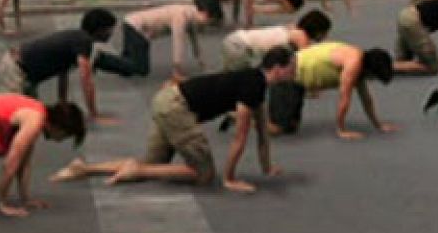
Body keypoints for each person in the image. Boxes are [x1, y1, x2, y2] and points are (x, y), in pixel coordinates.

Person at [51, 47, 295, 194]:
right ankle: (136, 170)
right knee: (203, 174)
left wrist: (267, 167)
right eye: (291, 68)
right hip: (178, 109)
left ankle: (84, 168)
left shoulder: (255, 81)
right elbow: (240, 138)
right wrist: (230, 179)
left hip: (167, 100)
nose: (294, 72)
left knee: (153, 164)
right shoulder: (253, 86)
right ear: (277, 68)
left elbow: (262, 131)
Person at [0, 10, 118, 126]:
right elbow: (87, 81)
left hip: (24, 71)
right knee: (5, 111)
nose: (111, 33)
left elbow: (63, 73)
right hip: (17, 68)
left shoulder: (77, 39)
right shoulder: (83, 41)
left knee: (30, 113)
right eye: (110, 29)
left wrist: (63, 104)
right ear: (100, 29)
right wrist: (94, 114)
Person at [266, 43, 396, 139]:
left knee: (290, 128)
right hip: (289, 75)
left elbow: (366, 99)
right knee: (276, 129)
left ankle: (261, 115)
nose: (372, 80)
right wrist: (341, 130)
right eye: (374, 77)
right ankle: (254, 117)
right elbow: (344, 99)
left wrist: (378, 125)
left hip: (300, 82)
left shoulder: (358, 63)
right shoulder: (353, 64)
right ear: (370, 70)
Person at [93, 3, 210, 81]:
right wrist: (176, 70)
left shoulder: (190, 17)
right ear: (203, 13)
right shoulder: (181, 16)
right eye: (207, 21)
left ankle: (103, 59)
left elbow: (195, 42)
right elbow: (178, 41)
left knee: (127, 70)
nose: (205, 25)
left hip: (133, 25)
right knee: (141, 69)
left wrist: (202, 62)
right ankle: (99, 59)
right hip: (136, 27)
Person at [221, 10, 330, 71]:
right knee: (241, 83)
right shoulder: (301, 36)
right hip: (240, 46)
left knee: (232, 78)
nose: (325, 36)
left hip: (235, 39)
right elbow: (306, 64)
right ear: (317, 29)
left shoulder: (293, 28)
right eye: (324, 32)